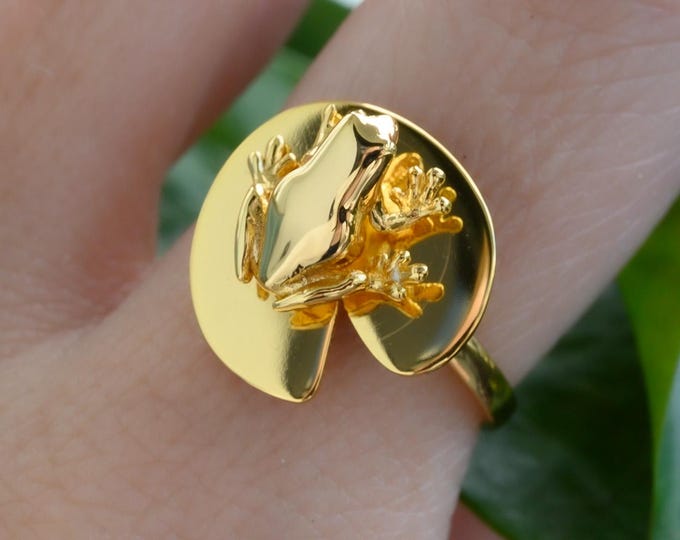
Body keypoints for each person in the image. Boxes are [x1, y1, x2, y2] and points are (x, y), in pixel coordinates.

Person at [1, 1, 678, 538]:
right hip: (298, 274)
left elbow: (299, 190)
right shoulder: (340, 209)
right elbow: (330, 246)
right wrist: (377, 277)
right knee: (336, 259)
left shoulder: (327, 177)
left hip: (286, 236)